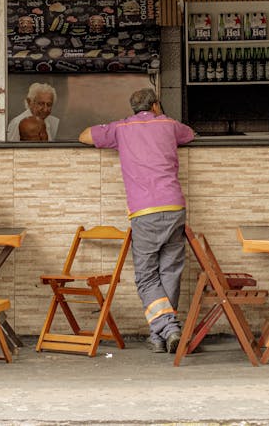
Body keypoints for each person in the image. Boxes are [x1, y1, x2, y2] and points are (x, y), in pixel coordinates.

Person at [79, 88, 194, 354]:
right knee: (170, 271)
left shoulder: (121, 128)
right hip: (175, 206)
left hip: (145, 212)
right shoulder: (169, 124)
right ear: (156, 105)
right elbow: (190, 134)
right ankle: (162, 334)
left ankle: (168, 329)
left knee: (145, 276)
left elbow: (83, 135)